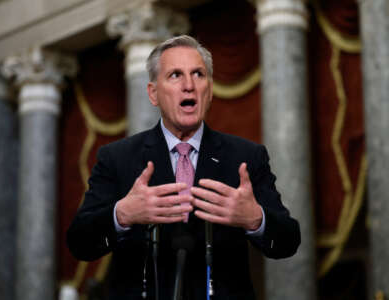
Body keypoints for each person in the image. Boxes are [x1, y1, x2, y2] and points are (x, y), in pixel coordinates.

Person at [67, 35, 300, 300]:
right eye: (176, 75)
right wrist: (122, 214)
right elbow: (80, 243)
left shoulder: (245, 157)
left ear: (209, 91)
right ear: (153, 94)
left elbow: (288, 242)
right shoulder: (117, 158)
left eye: (198, 74)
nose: (188, 86)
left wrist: (255, 219)